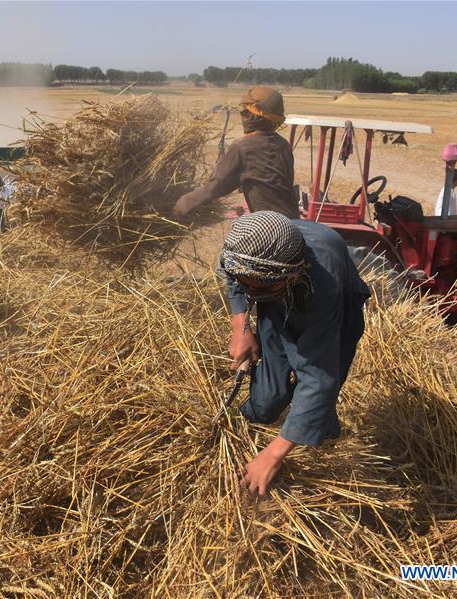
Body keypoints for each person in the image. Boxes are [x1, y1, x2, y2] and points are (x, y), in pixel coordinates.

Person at [219, 211, 370, 499]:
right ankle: (262, 417)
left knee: (317, 380)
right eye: (247, 283)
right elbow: (233, 271)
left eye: (258, 286)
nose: (251, 291)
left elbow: (318, 377)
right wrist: (241, 327)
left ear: (290, 274)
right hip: (278, 296)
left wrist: (272, 456)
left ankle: (318, 441)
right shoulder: (245, 246)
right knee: (267, 396)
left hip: (335, 308)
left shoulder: (325, 286)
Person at [173, 85, 298, 219]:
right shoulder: (284, 145)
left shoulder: (243, 147)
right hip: (294, 221)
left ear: (255, 118)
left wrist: (179, 207)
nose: (242, 115)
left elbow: (214, 188)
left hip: (270, 227)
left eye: (246, 112)